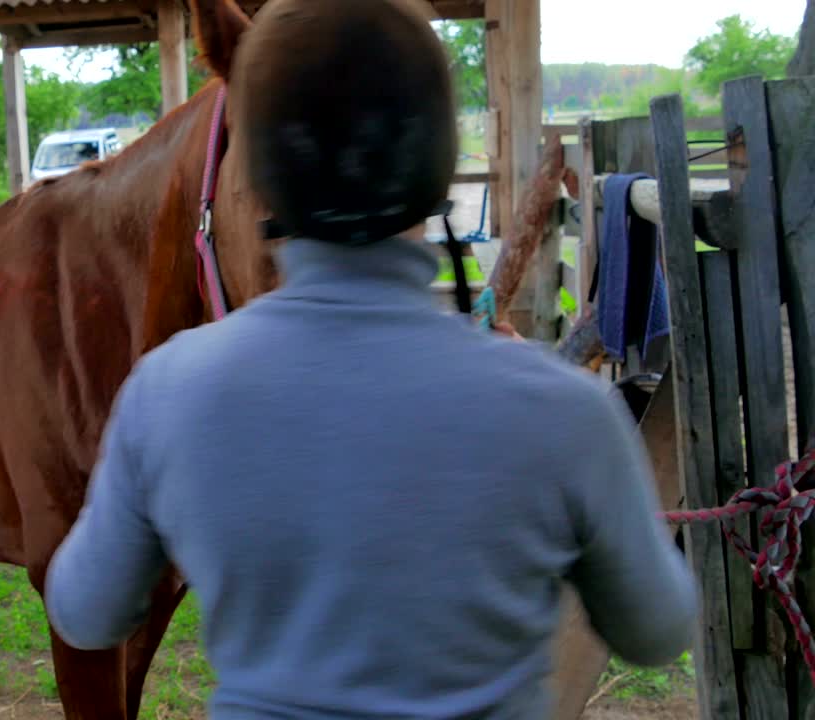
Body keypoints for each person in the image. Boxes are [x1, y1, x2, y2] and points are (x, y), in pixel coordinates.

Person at [44, 0, 698, 717]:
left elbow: (85, 612)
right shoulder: (563, 413)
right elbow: (658, 628)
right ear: (438, 161)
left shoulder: (168, 393)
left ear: (258, 173)